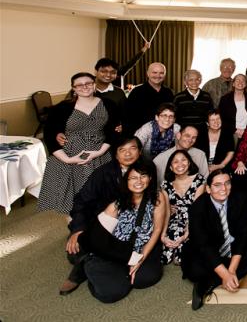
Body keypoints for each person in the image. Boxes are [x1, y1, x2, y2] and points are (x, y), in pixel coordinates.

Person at [60, 138, 142, 296]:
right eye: (122, 149)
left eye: (132, 148)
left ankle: (93, 261)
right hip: (99, 222)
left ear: (139, 152)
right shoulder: (103, 173)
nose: (128, 153)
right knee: (74, 252)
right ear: (116, 154)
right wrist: (78, 229)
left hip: (130, 224)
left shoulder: (146, 170)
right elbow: (81, 201)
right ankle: (84, 265)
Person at [183, 170, 247, 310]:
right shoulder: (198, 207)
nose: (223, 189)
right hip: (211, 248)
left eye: (227, 183)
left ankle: (208, 283)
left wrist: (231, 270)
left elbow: (243, 235)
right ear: (208, 189)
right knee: (193, 268)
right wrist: (225, 275)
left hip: (233, 245)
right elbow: (203, 245)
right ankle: (246, 265)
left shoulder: (240, 199)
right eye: (217, 185)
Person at [81, 158, 166, 303]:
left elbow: (157, 230)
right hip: (116, 251)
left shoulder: (157, 197)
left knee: (144, 279)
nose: (139, 181)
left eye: (143, 176)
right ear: (126, 181)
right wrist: (127, 258)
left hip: (139, 249)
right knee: (113, 292)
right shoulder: (117, 204)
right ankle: (87, 268)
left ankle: (120, 272)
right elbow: (97, 237)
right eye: (133, 177)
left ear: (150, 179)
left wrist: (140, 259)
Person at [39, 72, 120, 215]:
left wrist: (99, 152)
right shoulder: (63, 107)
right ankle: (74, 227)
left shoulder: (108, 104)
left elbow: (112, 131)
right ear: (74, 88)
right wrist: (67, 159)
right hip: (69, 157)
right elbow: (50, 134)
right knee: (70, 201)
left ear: (94, 85)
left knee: (102, 198)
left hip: (101, 155)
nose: (84, 87)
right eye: (79, 85)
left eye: (88, 83)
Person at [161, 149, 205, 265]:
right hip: (174, 220)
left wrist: (187, 233)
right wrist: (163, 234)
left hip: (194, 219)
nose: (180, 164)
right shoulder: (166, 184)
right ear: (170, 167)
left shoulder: (199, 180)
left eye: (183, 160)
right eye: (175, 162)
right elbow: (166, 212)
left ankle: (181, 250)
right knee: (165, 256)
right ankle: (173, 248)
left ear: (189, 163)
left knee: (183, 255)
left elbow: (196, 211)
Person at [124, 62, 174, 136]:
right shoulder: (137, 92)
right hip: (142, 135)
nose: (158, 76)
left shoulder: (168, 92)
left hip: (164, 135)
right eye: (154, 72)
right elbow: (128, 116)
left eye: (161, 73)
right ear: (148, 73)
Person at [172, 70, 214, 136]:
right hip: (184, 133)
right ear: (185, 82)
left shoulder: (207, 96)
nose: (194, 82)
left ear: (200, 81)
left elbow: (210, 114)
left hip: (202, 132)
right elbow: (174, 116)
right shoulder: (178, 97)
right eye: (191, 80)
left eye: (197, 79)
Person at [219, 74, 247, 142]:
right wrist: (235, 130)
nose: (240, 82)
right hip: (230, 134)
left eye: (243, 80)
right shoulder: (225, 99)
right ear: (233, 84)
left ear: (246, 84)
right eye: (237, 80)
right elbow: (221, 118)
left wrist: (246, 131)